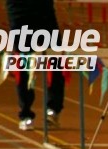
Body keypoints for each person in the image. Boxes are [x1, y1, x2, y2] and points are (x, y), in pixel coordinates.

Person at [5, 0, 64, 131]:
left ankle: (53, 110)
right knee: (23, 65)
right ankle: (25, 113)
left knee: (55, 60)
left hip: (44, 11)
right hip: (19, 13)